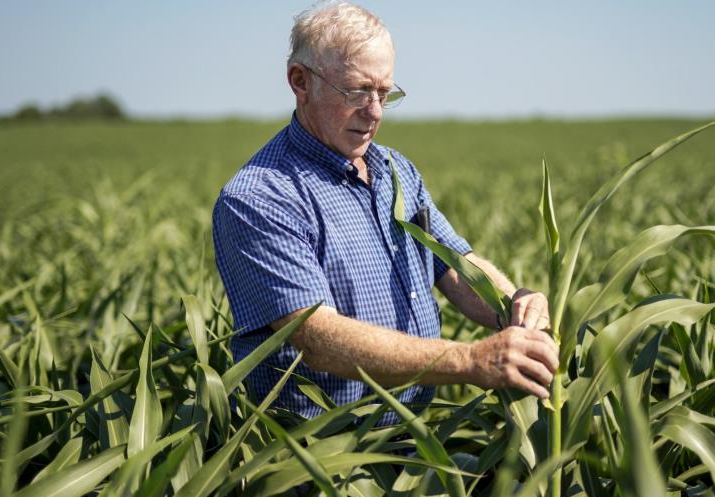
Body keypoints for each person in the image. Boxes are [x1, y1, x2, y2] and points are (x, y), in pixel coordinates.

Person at [212, 2, 558, 426]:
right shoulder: (259, 198)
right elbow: (317, 337)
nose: (375, 112)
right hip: (317, 457)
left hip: (412, 436)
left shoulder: (395, 171)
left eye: (384, 93)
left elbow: (453, 267)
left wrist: (515, 306)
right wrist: (469, 360)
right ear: (300, 82)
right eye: (356, 91)